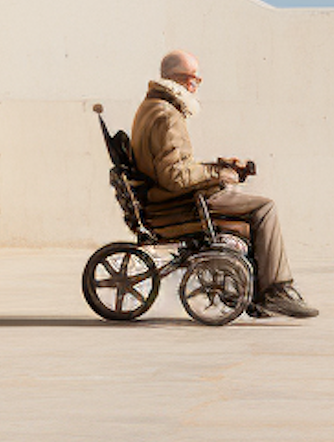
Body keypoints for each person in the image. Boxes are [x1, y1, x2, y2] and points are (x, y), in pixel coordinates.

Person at [130, 50, 318, 321]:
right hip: (178, 203)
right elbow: (174, 177)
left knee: (249, 207)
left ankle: (259, 294)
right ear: (178, 80)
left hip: (169, 198)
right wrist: (219, 174)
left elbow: (172, 168)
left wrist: (218, 167)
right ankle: (276, 291)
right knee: (264, 208)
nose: (195, 86)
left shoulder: (153, 108)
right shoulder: (167, 115)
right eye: (193, 79)